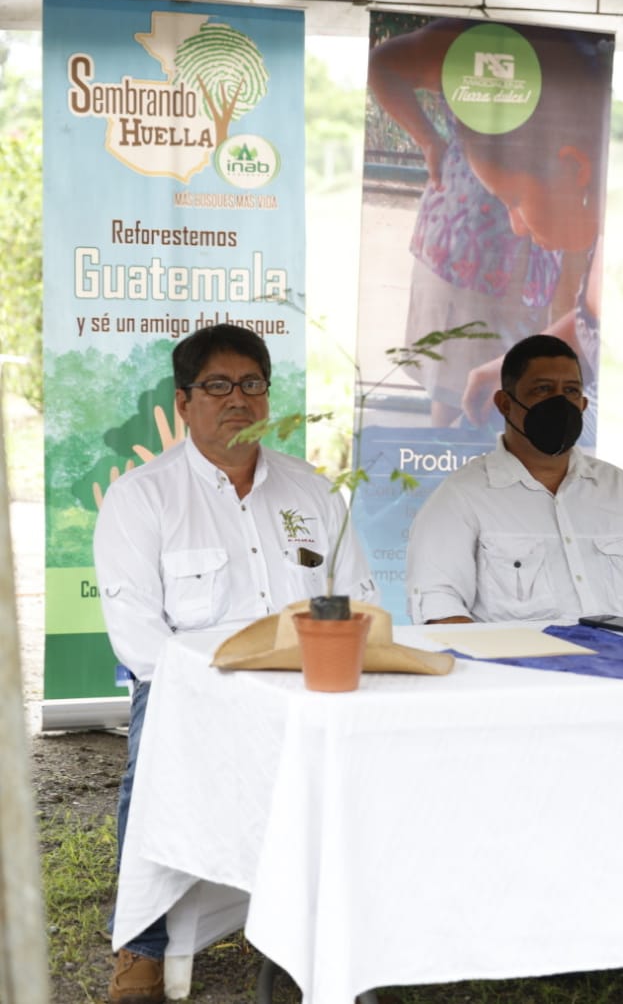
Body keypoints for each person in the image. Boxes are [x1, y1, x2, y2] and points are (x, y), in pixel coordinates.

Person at [94, 324, 376, 1004]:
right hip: (193, 694)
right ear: (184, 401)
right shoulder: (143, 497)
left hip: (309, 690)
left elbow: (358, 598)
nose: (238, 400)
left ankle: (339, 947)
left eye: (252, 385)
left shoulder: (312, 491)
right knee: (148, 757)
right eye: (218, 386)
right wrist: (233, 689)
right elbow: (139, 640)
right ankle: (144, 947)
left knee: (364, 768)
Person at [367, 18, 611, 427]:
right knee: (455, 375)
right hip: (468, 250)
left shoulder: (617, 243)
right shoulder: (465, 39)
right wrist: (514, 365)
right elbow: (591, 325)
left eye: (514, 201)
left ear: (574, 166)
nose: (515, 226)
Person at [407, 335, 623, 622]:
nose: (560, 403)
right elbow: (439, 607)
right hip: (527, 667)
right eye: (543, 390)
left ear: (584, 405)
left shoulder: (618, 489)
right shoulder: (462, 496)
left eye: (571, 391)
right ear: (505, 405)